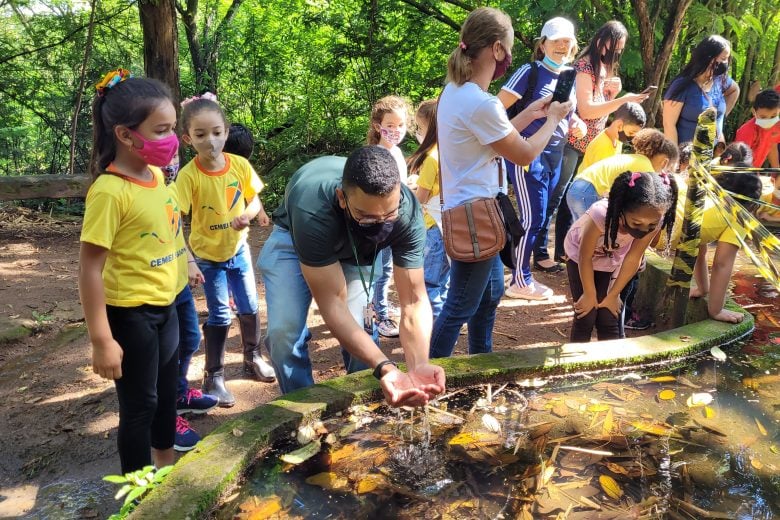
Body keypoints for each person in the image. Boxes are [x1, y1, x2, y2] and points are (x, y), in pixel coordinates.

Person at [428, 7, 572, 358]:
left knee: (490, 296)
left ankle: (482, 363)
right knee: (459, 307)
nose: (510, 56)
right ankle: (430, 375)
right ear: (496, 50)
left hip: (476, 212)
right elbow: (522, 154)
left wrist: (531, 112)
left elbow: (495, 136)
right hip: (475, 219)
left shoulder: (456, 91)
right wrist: (553, 118)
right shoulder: (480, 102)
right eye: (507, 47)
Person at [257, 146, 445, 407]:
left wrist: (419, 364)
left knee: (363, 327)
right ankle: (303, 408)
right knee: (283, 333)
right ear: (342, 198)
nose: (380, 224)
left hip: (361, 252)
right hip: (298, 236)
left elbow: (413, 300)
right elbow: (332, 302)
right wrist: (384, 366)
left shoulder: (407, 212)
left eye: (388, 215)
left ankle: (366, 407)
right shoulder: (313, 207)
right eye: (367, 217)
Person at [78, 71, 180, 472]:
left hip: (167, 304)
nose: (171, 139)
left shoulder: (156, 176)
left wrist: (184, 263)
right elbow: (89, 268)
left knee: (167, 395)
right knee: (141, 405)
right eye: (161, 130)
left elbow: (167, 230)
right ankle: (137, 496)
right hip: (130, 312)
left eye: (173, 128)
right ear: (124, 135)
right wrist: (102, 339)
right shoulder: (108, 192)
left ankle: (166, 474)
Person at [175, 93, 275, 409]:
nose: (211, 142)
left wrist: (248, 212)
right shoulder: (188, 176)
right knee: (220, 313)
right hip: (207, 256)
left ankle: (253, 356)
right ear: (187, 138)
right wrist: (189, 261)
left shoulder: (240, 166)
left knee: (248, 304)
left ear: (226, 131)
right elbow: (174, 221)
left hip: (238, 250)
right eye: (201, 135)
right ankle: (213, 375)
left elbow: (255, 198)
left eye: (217, 133)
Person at [497, 16, 585, 298]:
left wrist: (576, 123)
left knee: (542, 215)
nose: (562, 45)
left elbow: (568, 115)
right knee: (532, 216)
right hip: (526, 152)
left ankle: (522, 275)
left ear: (573, 46)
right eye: (555, 40)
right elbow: (497, 109)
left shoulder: (569, 76)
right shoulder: (529, 72)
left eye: (567, 41)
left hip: (555, 154)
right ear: (543, 44)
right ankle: (519, 281)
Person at [551, 21, 650, 265]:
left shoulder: (604, 69)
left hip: (592, 142)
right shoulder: (584, 67)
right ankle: (545, 252)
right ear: (601, 41)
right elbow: (586, 109)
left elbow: (602, 108)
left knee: (570, 196)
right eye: (615, 46)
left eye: (621, 48)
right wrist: (622, 101)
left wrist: (612, 95)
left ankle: (564, 252)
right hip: (574, 140)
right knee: (560, 195)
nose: (617, 52)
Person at [564, 171, 678, 342]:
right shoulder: (601, 214)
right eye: (636, 223)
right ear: (621, 210)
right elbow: (584, 256)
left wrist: (613, 295)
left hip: (615, 258)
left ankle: (613, 365)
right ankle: (575, 366)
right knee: (586, 314)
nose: (643, 228)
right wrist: (589, 293)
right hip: (580, 256)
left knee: (609, 316)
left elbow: (634, 257)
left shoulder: (656, 219)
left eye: (651, 224)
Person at [161, 152, 218, 452]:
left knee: (190, 338)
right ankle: (163, 418)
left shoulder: (168, 187)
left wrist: (190, 261)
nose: (170, 160)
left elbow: (174, 232)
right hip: (153, 288)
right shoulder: (123, 189)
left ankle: (179, 394)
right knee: (163, 355)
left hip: (177, 277)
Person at [659, 172, 762, 323]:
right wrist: (716, 310)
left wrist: (703, 289)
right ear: (752, 204)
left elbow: (700, 250)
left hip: (653, 220)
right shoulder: (738, 215)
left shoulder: (704, 191)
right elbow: (722, 264)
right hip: (660, 232)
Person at [367, 96, 411, 338]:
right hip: (379, 223)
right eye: (390, 126)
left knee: (387, 270)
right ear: (378, 126)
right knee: (380, 270)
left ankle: (378, 303)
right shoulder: (376, 154)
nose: (396, 131)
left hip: (395, 221)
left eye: (401, 125)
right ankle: (380, 315)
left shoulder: (396, 152)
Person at [567, 129, 678, 222]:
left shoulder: (636, 159)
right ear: (664, 163)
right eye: (668, 169)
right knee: (591, 234)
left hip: (578, 186)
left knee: (580, 233)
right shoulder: (646, 168)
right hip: (588, 190)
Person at [409, 99, 449, 318]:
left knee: (429, 284)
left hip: (432, 227)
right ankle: (445, 324)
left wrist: (409, 189)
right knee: (444, 282)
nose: (418, 132)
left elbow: (421, 197)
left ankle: (436, 333)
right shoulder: (451, 151)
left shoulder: (431, 158)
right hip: (450, 225)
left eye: (420, 128)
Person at [663, 35, 740, 147]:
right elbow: (669, 125)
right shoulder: (681, 85)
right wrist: (675, 160)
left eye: (727, 59)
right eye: (723, 59)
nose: (726, 63)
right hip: (686, 157)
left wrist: (720, 119)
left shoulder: (720, 80)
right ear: (709, 57)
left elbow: (735, 90)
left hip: (713, 156)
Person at [577, 101, 646, 173]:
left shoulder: (616, 139)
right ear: (619, 125)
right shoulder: (603, 146)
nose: (632, 137)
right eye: (631, 133)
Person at [734, 89, 780, 168]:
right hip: (742, 174)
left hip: (754, 172)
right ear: (754, 112)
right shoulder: (747, 131)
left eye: (773, 116)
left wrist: (777, 172)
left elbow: (772, 146)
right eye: (763, 117)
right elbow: (740, 162)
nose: (768, 120)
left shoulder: (776, 126)